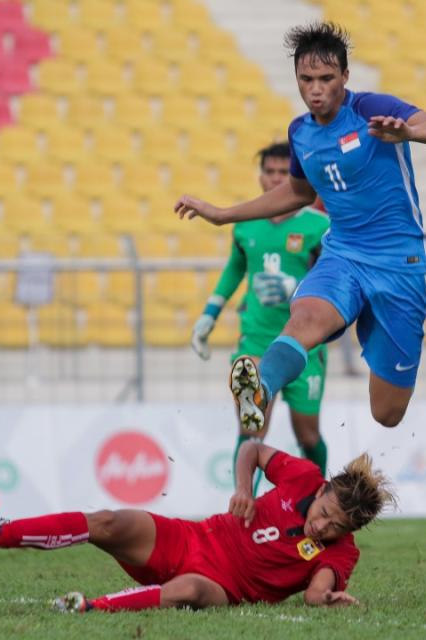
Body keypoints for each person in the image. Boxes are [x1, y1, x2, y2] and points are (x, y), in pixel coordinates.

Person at [174, 22, 426, 431]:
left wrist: (409, 132)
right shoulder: (300, 132)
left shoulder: (369, 109)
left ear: (345, 77)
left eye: (326, 78)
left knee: (387, 413)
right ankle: (261, 388)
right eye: (306, 79)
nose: (316, 89)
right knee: (304, 316)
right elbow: (298, 192)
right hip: (343, 253)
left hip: (401, 262)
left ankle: (370, 339)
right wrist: (222, 214)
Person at [0, 441, 396, 612]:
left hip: (223, 586)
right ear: (321, 489)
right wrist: (244, 486)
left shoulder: (342, 554)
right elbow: (251, 448)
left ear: (350, 529)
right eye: (323, 513)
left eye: (334, 527)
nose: (321, 526)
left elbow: (317, 590)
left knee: (189, 592)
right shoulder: (302, 475)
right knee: (107, 521)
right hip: (192, 538)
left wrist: (329, 599)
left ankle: (88, 607)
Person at [190, 142, 330, 486]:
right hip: (256, 337)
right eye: (270, 172)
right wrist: (210, 313)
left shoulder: (319, 225)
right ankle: (243, 512)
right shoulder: (246, 225)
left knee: (308, 435)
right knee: (252, 426)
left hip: (304, 341)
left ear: (296, 176)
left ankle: (317, 503)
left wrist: (295, 287)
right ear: (261, 177)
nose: (276, 178)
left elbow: (333, 278)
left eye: (284, 172)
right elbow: (235, 268)